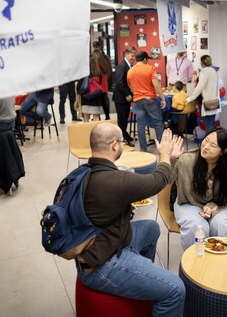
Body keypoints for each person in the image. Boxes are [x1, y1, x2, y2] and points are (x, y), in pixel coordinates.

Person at [77, 123, 186, 316]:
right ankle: (140, 278)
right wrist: (165, 155)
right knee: (176, 289)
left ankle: (143, 281)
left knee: (151, 227)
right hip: (102, 265)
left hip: (97, 247)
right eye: (122, 142)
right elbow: (158, 181)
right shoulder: (115, 180)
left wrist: (172, 160)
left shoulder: (83, 172)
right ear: (113, 146)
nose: (123, 145)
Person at [172, 127, 227, 249]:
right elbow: (166, 180)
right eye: (206, 140)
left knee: (222, 225)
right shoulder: (187, 160)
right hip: (188, 203)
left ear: (223, 151)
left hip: (219, 204)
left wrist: (212, 207)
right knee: (197, 225)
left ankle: (225, 264)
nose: (206, 146)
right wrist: (171, 159)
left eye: (213, 145)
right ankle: (195, 265)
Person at [126, 50, 166, 151]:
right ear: (144, 59)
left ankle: (143, 150)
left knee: (140, 124)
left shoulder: (130, 71)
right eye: (147, 59)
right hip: (150, 99)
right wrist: (162, 98)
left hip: (137, 100)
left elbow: (131, 89)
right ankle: (161, 148)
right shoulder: (150, 68)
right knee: (157, 122)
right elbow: (156, 85)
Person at [186, 55, 219, 132]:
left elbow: (200, 87)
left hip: (205, 101)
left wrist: (190, 98)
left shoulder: (204, 72)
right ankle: (211, 141)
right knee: (211, 123)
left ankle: (210, 142)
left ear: (202, 62)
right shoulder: (213, 71)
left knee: (208, 124)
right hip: (213, 101)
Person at [112, 45, 136, 147]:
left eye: (134, 56)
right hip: (121, 98)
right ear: (126, 54)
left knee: (125, 118)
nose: (133, 58)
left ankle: (124, 134)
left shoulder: (128, 65)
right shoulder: (122, 66)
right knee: (122, 120)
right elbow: (119, 82)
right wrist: (126, 94)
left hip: (125, 98)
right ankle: (122, 139)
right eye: (132, 56)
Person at [81, 49, 110, 122]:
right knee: (104, 101)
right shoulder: (104, 62)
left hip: (94, 86)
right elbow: (108, 72)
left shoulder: (94, 64)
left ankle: (98, 117)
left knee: (98, 102)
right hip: (102, 85)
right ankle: (107, 115)